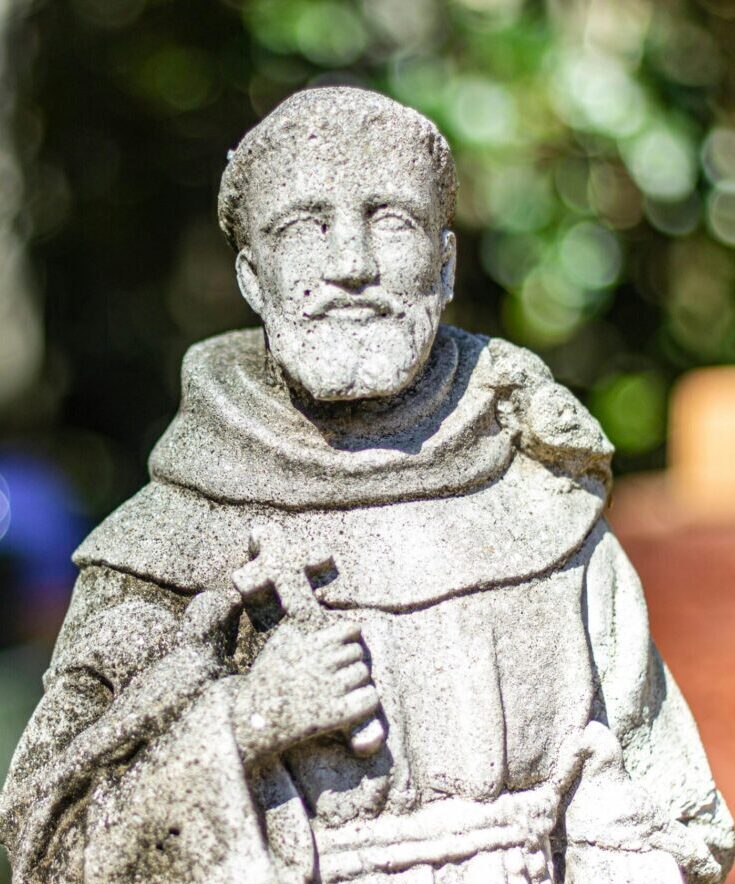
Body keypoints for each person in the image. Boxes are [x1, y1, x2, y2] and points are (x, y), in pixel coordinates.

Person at [1, 87, 732, 884]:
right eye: (302, 227)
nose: (351, 264)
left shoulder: (543, 506)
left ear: (445, 266)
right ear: (252, 277)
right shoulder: (168, 549)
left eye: (392, 222)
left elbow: (659, 808)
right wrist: (244, 724)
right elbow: (47, 845)